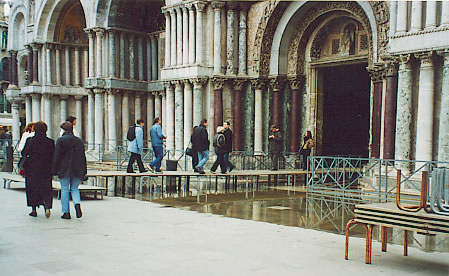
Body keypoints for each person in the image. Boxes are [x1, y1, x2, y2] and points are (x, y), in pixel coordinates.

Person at [52, 121, 87, 219]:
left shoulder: (60, 140)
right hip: (77, 168)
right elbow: (83, 157)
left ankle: (66, 212)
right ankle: (77, 204)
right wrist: (84, 170)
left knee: (65, 189)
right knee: (75, 188)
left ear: (63, 130)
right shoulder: (78, 141)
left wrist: (54, 169)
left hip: (64, 168)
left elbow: (57, 156)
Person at [21, 121, 55, 218]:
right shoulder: (50, 142)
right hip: (46, 169)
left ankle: (34, 209)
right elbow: (53, 155)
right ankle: (47, 206)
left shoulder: (30, 140)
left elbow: (24, 152)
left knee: (32, 188)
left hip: (32, 169)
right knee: (46, 188)